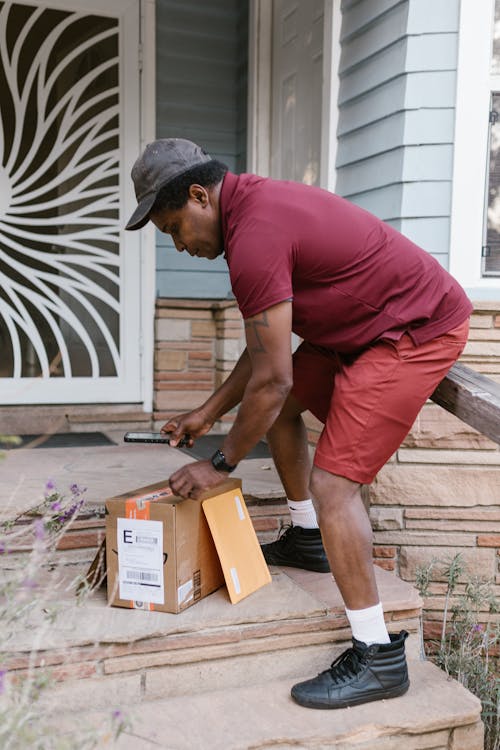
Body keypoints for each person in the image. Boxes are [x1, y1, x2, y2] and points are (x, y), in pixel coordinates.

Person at [125, 137, 472, 709]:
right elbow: (267, 354)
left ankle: (378, 655)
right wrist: (207, 412)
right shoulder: (248, 219)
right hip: (357, 330)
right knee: (280, 412)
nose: (179, 245)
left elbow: (273, 379)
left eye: (174, 229)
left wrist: (220, 464)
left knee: (336, 486)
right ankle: (309, 537)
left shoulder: (256, 235)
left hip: (412, 331)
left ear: (198, 196)